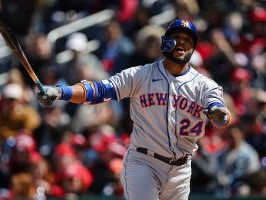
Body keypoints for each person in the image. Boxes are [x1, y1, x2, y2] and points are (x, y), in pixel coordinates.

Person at [37, 19, 231, 200]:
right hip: (144, 162)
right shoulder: (140, 75)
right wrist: (60, 91)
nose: (182, 43)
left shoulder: (204, 85)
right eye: (176, 38)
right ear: (165, 42)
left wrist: (219, 113)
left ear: (193, 48)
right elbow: (99, 90)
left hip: (182, 168)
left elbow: (220, 110)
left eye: (188, 40)